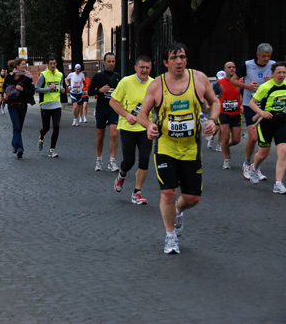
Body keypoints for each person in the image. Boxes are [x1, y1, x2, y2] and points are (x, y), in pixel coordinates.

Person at [137, 43, 219, 254]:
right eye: (174, 58)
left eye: (182, 57)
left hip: (191, 146)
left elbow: (215, 102)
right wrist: (149, 126)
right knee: (168, 192)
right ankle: (170, 236)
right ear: (166, 62)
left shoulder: (199, 79)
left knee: (193, 197)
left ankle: (178, 210)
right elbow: (142, 114)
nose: (179, 61)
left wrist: (213, 120)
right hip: (166, 145)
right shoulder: (156, 85)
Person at [109, 56, 154, 205]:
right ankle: (122, 175)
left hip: (145, 127)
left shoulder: (154, 84)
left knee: (145, 159)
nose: (144, 70)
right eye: (142, 67)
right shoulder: (126, 82)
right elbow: (113, 101)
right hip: (128, 127)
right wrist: (126, 114)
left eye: (147, 67)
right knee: (129, 161)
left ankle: (137, 193)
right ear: (135, 68)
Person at [230, 43, 275, 181]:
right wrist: (247, 86)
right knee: (254, 137)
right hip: (251, 105)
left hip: (267, 106)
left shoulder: (273, 65)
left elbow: (282, 81)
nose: (266, 59)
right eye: (264, 56)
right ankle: (247, 163)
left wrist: (273, 79)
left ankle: (257, 167)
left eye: (268, 56)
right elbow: (233, 80)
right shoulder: (248, 65)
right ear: (257, 55)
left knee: (263, 139)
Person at [246, 62, 286, 194]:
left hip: (282, 122)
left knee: (284, 152)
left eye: (284, 73)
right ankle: (254, 168)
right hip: (266, 122)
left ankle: (278, 184)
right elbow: (252, 103)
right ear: (273, 74)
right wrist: (261, 113)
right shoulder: (265, 87)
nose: (281, 75)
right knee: (263, 153)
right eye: (279, 72)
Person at [88, 52, 121, 171]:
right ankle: (99, 160)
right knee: (100, 136)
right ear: (104, 62)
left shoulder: (118, 76)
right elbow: (90, 92)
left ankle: (112, 161)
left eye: (113, 61)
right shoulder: (98, 76)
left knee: (114, 133)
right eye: (109, 61)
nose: (111, 64)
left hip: (113, 109)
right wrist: (100, 91)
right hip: (101, 108)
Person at [3, 57, 35, 159]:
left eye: (25, 64)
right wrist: (4, 93)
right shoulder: (10, 76)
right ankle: (19, 148)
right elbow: (4, 88)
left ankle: (14, 142)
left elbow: (32, 92)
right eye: (22, 64)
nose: (24, 66)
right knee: (16, 126)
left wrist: (23, 89)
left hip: (23, 105)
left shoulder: (28, 78)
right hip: (12, 105)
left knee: (19, 127)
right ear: (17, 66)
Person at [35, 55, 65, 158]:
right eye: (51, 64)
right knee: (46, 127)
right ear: (47, 64)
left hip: (56, 104)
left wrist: (62, 88)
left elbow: (60, 84)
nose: (53, 65)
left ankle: (52, 150)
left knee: (56, 127)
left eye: (54, 63)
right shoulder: (43, 75)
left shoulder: (60, 74)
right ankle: (41, 136)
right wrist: (48, 88)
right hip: (46, 105)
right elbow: (37, 88)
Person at [214, 61, 242, 169]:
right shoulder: (219, 83)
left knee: (236, 140)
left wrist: (242, 105)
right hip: (223, 114)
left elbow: (243, 94)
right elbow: (212, 96)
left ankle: (225, 146)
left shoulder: (240, 82)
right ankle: (226, 160)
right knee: (225, 137)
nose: (232, 69)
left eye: (233, 67)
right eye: (229, 67)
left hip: (236, 114)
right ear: (225, 70)